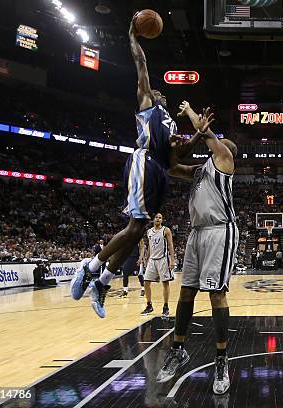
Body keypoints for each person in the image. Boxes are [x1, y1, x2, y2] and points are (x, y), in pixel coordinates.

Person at [69, 16, 198, 318]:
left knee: (138, 231)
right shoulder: (147, 104)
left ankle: (101, 280)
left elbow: (173, 163)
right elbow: (141, 64)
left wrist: (194, 139)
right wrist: (132, 36)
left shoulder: (171, 123)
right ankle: (91, 268)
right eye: (158, 91)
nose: (161, 93)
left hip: (158, 172)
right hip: (143, 162)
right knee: (134, 227)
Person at [157, 103, 238, 396]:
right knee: (187, 291)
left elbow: (209, 138)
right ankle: (178, 350)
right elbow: (171, 167)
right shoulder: (200, 170)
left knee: (217, 293)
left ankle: (221, 360)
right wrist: (170, 145)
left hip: (220, 230)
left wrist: (192, 113)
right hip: (196, 233)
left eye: (219, 142)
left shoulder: (226, 160)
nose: (217, 144)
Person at [141, 213, 175, 319]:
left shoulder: (166, 230)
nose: (158, 219)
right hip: (152, 260)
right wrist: (147, 259)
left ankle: (165, 306)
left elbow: (170, 245)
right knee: (146, 283)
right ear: (153, 219)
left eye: (160, 217)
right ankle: (149, 305)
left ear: (162, 220)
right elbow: (150, 246)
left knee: (165, 283)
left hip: (163, 259)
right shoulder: (149, 232)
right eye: (156, 217)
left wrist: (172, 260)